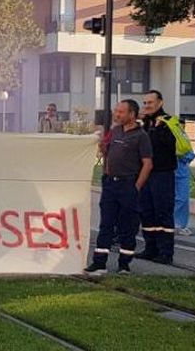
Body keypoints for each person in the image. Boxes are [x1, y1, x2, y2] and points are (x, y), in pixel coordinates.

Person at [84, 100, 153, 275]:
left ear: (132, 114)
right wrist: (101, 146)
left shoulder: (141, 136)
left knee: (127, 225)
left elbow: (147, 163)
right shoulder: (115, 131)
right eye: (116, 111)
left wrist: (136, 186)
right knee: (106, 223)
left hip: (128, 184)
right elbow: (106, 152)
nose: (117, 115)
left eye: (121, 112)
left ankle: (124, 264)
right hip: (110, 185)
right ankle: (99, 262)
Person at [135, 90, 177, 265]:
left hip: (162, 173)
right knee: (147, 212)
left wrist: (157, 130)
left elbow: (170, 146)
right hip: (146, 174)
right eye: (144, 103)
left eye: (150, 103)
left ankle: (166, 251)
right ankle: (150, 247)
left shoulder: (169, 122)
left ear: (160, 103)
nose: (146, 106)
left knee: (163, 212)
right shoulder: (143, 123)